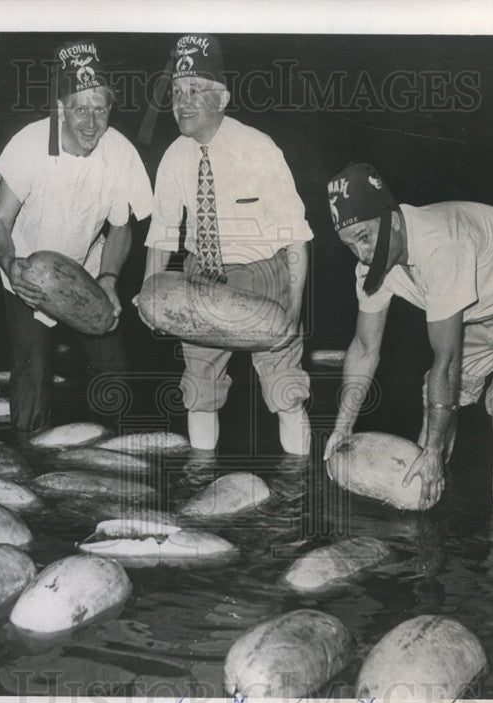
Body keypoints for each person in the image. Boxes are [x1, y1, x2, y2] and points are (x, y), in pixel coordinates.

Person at [323, 163, 493, 507]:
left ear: (393, 220)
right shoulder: (373, 267)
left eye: (365, 237)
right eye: (350, 244)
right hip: (481, 305)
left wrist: (431, 449)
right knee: (437, 408)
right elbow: (365, 347)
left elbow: (446, 361)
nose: (361, 253)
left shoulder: (440, 246)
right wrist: (343, 426)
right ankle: (426, 508)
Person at [140, 34, 313, 454]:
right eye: (177, 92)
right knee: (198, 392)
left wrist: (292, 309)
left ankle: (299, 486)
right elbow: (163, 233)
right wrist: (148, 294)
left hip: (263, 276)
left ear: (222, 98)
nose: (182, 102)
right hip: (201, 278)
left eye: (194, 91)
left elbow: (295, 237)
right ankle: (202, 482)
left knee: (285, 392)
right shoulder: (173, 158)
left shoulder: (259, 148)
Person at [0, 39, 152, 439]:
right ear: (60, 108)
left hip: (87, 271)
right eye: (80, 108)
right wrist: (11, 266)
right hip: (27, 270)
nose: (92, 122)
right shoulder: (28, 145)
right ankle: (25, 449)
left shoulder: (121, 153)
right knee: (33, 369)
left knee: (112, 367)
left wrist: (110, 278)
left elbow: (121, 227)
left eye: (101, 109)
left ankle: (113, 449)